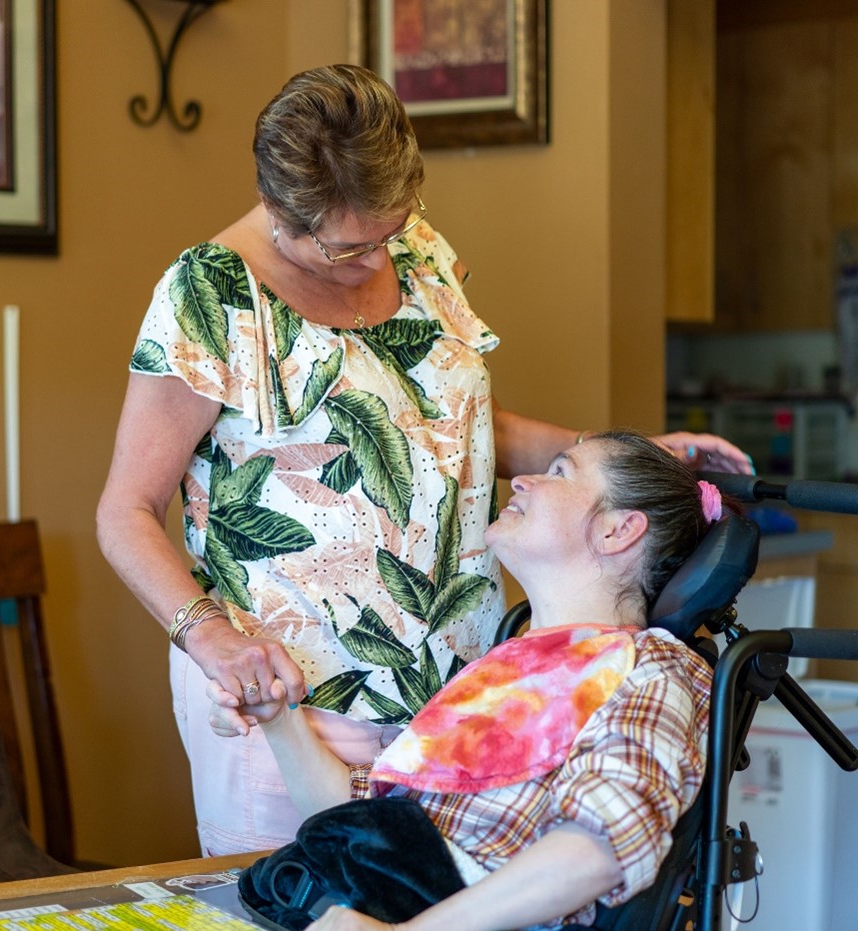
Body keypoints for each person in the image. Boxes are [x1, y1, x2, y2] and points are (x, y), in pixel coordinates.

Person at [95, 63, 752, 856]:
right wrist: (214, 642)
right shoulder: (209, 293)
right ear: (281, 211)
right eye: (348, 246)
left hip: (459, 687)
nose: (377, 261)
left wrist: (633, 452)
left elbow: (462, 428)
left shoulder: (412, 244)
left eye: (390, 230)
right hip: (292, 700)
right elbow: (126, 511)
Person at [210, 431, 723, 930]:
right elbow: (364, 814)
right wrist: (279, 717)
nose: (521, 481)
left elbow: (603, 845)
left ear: (618, 530)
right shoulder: (505, 664)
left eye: (559, 472)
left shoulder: (652, 666)